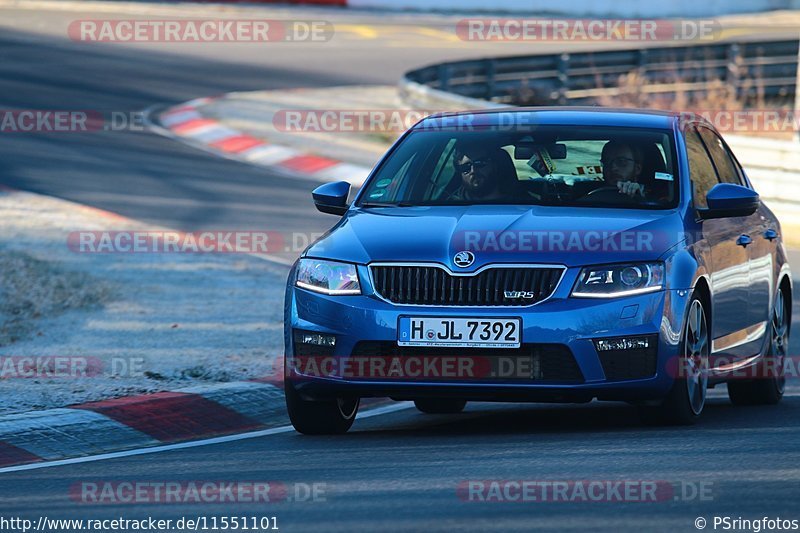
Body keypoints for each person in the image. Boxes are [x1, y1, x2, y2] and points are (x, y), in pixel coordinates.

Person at [446, 142, 511, 202]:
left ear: (494, 165)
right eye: (465, 167)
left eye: (479, 163)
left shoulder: (517, 202)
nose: (473, 171)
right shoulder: (448, 206)